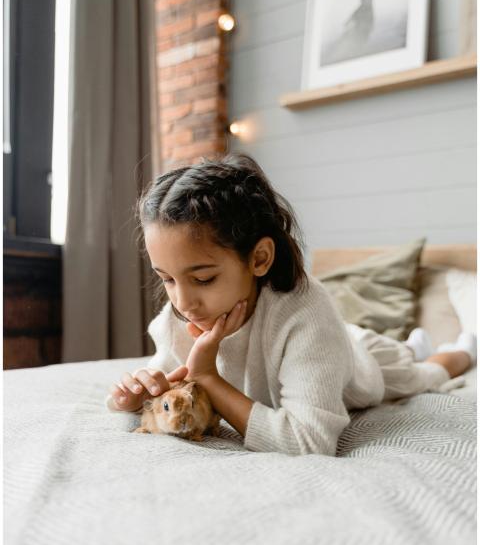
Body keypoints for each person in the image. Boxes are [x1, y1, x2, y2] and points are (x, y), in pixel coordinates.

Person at [105, 154, 476, 456]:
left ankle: (458, 348)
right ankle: (414, 344)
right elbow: (169, 382)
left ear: (260, 258)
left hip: (355, 359)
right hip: (332, 341)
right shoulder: (181, 313)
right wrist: (139, 394)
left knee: (422, 374)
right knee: (404, 350)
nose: (183, 302)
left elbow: (308, 441)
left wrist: (208, 378)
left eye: (203, 279)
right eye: (167, 279)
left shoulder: (306, 312)